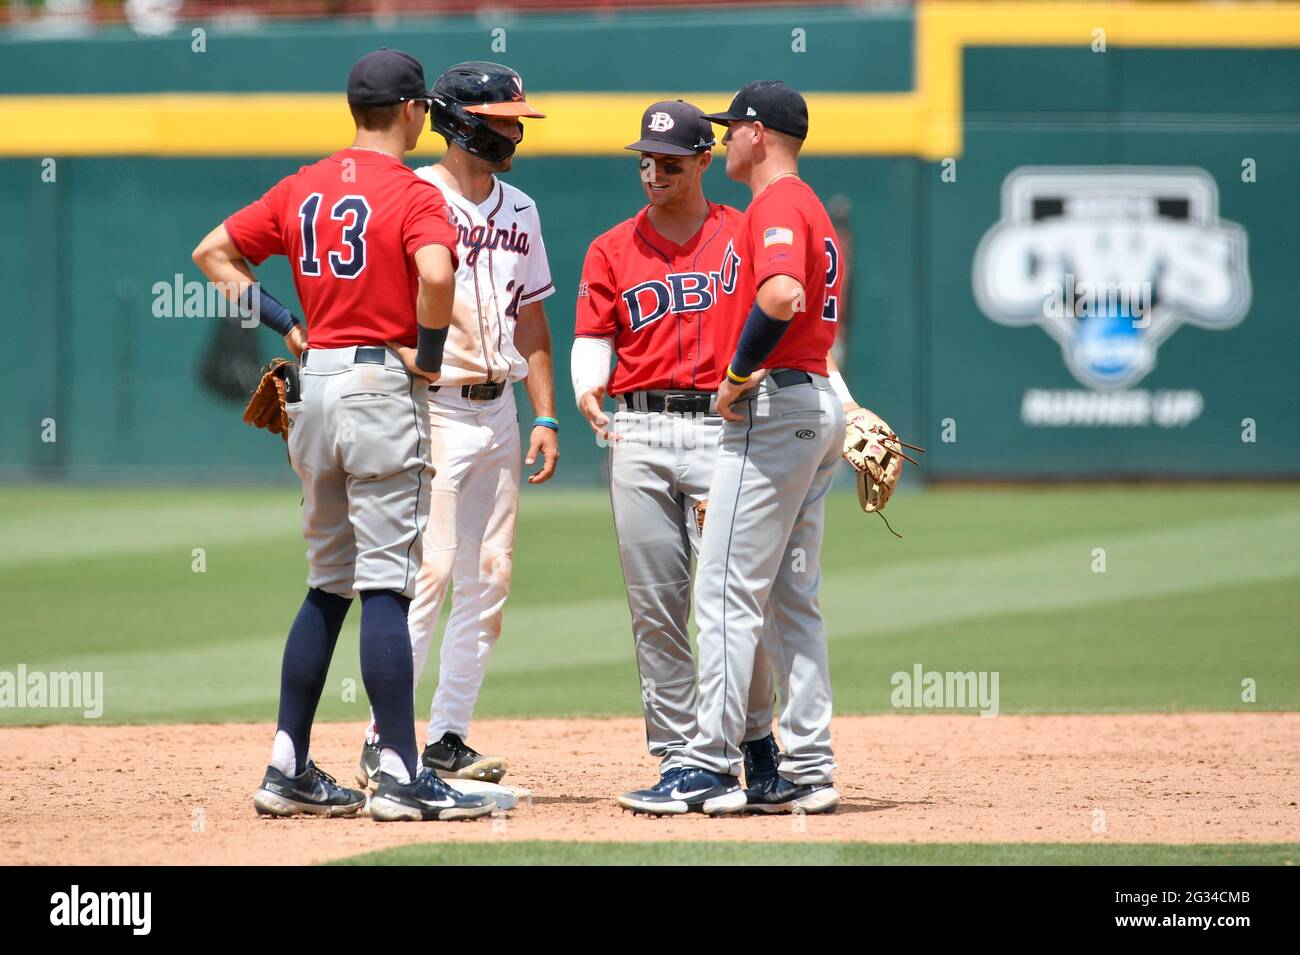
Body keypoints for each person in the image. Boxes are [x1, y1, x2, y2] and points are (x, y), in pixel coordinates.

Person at [192, 49, 496, 822]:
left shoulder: (303, 185)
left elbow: (213, 255)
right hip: (378, 388)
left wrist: (287, 322)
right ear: (411, 112)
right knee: (388, 581)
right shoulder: (414, 193)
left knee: (328, 582)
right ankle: (399, 772)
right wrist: (428, 360)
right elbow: (435, 276)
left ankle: (287, 764)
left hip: (317, 383)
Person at [626, 81, 846, 816]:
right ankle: (809, 766)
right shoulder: (811, 204)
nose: (724, 140)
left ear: (760, 134)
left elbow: (780, 295)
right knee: (792, 598)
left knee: (722, 594)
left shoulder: (778, 202)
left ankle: (711, 764)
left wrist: (739, 373)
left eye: (732, 129)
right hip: (811, 399)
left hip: (775, 405)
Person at [571, 100, 781, 813]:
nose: (651, 171)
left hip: (726, 430)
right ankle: (677, 754)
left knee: (727, 600)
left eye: (667, 160)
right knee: (656, 605)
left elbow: (786, 309)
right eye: (644, 159)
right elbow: (594, 331)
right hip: (638, 430)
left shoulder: (743, 232)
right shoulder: (612, 247)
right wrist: (586, 384)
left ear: (701, 161)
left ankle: (757, 741)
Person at [355, 61, 558, 789]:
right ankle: (385, 740)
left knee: (488, 577)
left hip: (500, 408)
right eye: (505, 118)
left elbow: (531, 314)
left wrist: (546, 413)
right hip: (430, 408)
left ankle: (445, 736)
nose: (514, 130)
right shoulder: (414, 197)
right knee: (428, 572)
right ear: (462, 121)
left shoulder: (523, 210)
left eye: (516, 118)